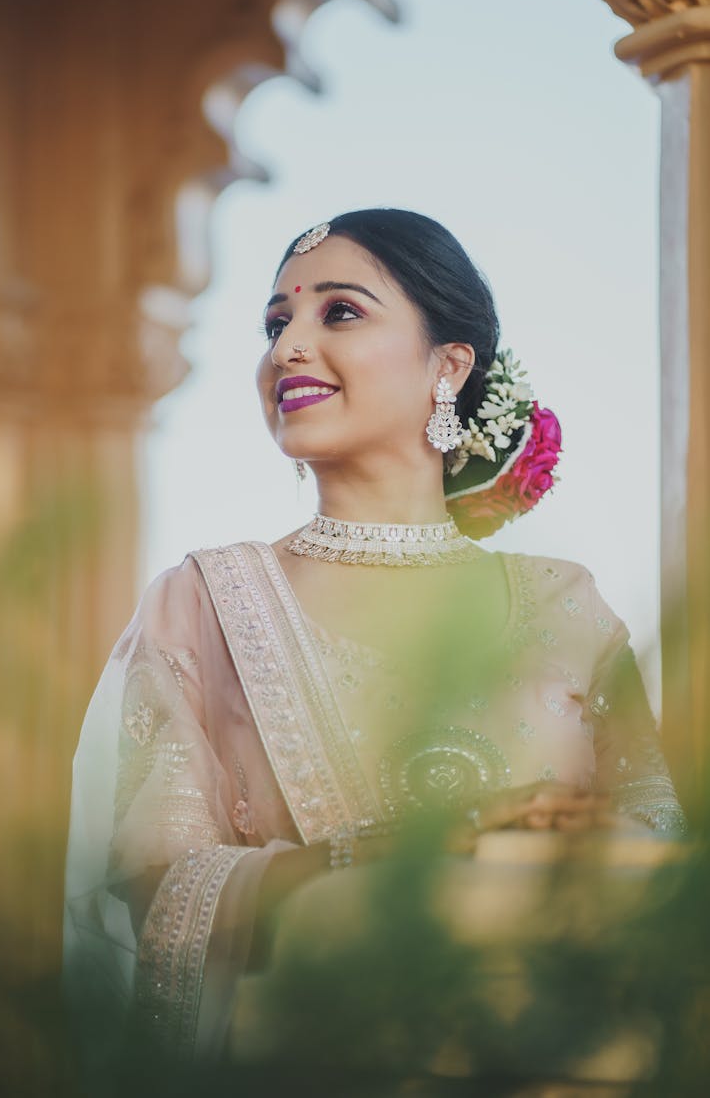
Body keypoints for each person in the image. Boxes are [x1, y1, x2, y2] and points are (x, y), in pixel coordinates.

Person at [64, 208, 685, 1081]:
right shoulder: (204, 600)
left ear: (450, 363)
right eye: (276, 323)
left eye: (339, 312)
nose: (288, 348)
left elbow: (658, 856)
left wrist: (541, 843)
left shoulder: (564, 603)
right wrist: (368, 860)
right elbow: (152, 890)